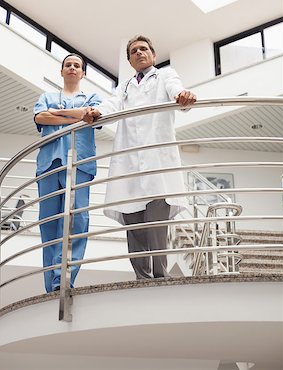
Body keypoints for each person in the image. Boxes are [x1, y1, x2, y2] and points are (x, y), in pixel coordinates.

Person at [83, 35, 196, 280]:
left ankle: (160, 276)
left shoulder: (165, 75)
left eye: (144, 49)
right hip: (130, 163)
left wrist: (183, 97)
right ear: (129, 59)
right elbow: (111, 105)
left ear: (153, 55)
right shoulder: (124, 86)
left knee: (156, 223)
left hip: (157, 162)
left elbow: (177, 91)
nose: (139, 53)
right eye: (134, 51)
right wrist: (97, 111)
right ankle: (141, 278)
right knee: (134, 225)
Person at [34, 53, 101, 293]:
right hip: (49, 163)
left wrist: (59, 116)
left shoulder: (92, 97)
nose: (72, 68)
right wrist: (77, 115)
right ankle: (50, 286)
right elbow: (41, 117)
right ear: (61, 71)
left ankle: (64, 280)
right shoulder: (47, 96)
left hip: (79, 164)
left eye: (77, 66)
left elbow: (93, 116)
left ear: (82, 73)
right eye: (68, 65)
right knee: (50, 224)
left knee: (77, 221)